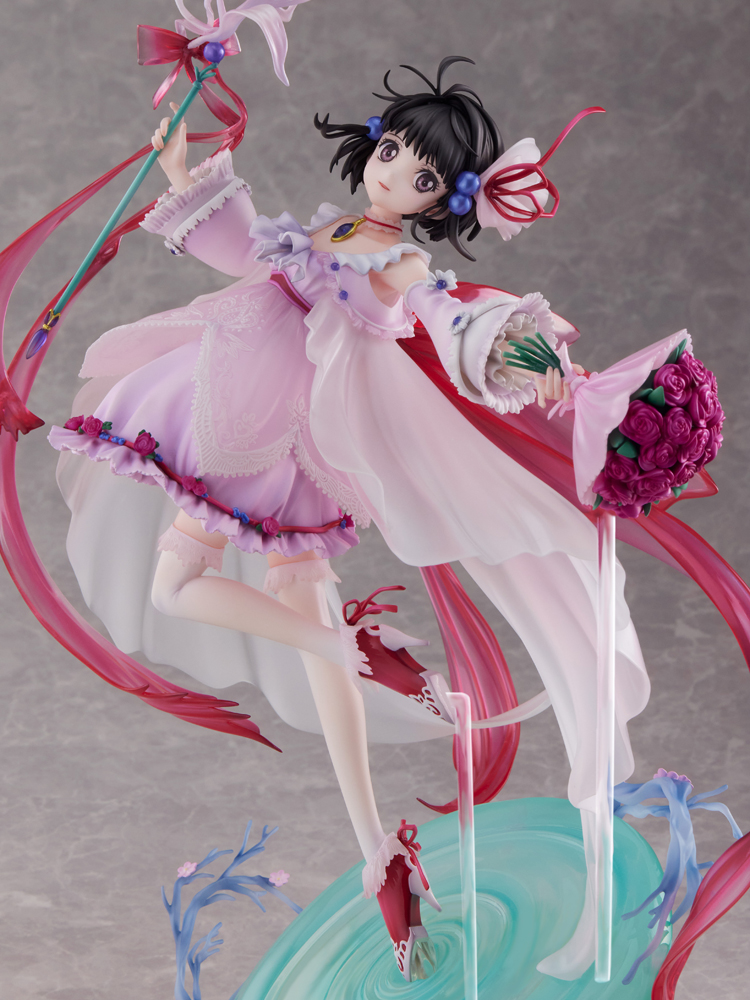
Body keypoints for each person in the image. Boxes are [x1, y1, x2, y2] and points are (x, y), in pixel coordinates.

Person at [45, 56, 677, 982]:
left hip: (261, 432)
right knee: (277, 623)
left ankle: (347, 654)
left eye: (421, 175)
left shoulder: (403, 261)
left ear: (441, 199)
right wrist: (185, 176)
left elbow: (445, 319)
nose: (393, 175)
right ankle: (381, 848)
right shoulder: (333, 227)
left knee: (181, 588)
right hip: (255, 411)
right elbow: (249, 251)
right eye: (391, 152)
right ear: (373, 147)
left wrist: (516, 350)